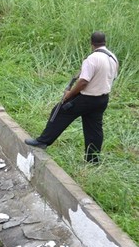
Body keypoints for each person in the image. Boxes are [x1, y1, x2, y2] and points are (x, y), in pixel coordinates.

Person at [25, 31, 118, 163]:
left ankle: (43, 141)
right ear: (105, 42)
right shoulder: (113, 58)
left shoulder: (92, 59)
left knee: (59, 112)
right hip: (102, 99)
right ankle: (93, 159)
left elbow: (83, 81)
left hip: (87, 98)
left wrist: (70, 94)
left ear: (91, 43)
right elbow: (113, 77)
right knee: (94, 128)